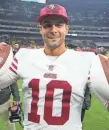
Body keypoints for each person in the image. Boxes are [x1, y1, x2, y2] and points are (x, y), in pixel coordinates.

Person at [0, 4, 109, 130]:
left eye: (59, 24)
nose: (53, 30)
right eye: (47, 25)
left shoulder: (88, 60)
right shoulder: (23, 56)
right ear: (40, 29)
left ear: (67, 28)